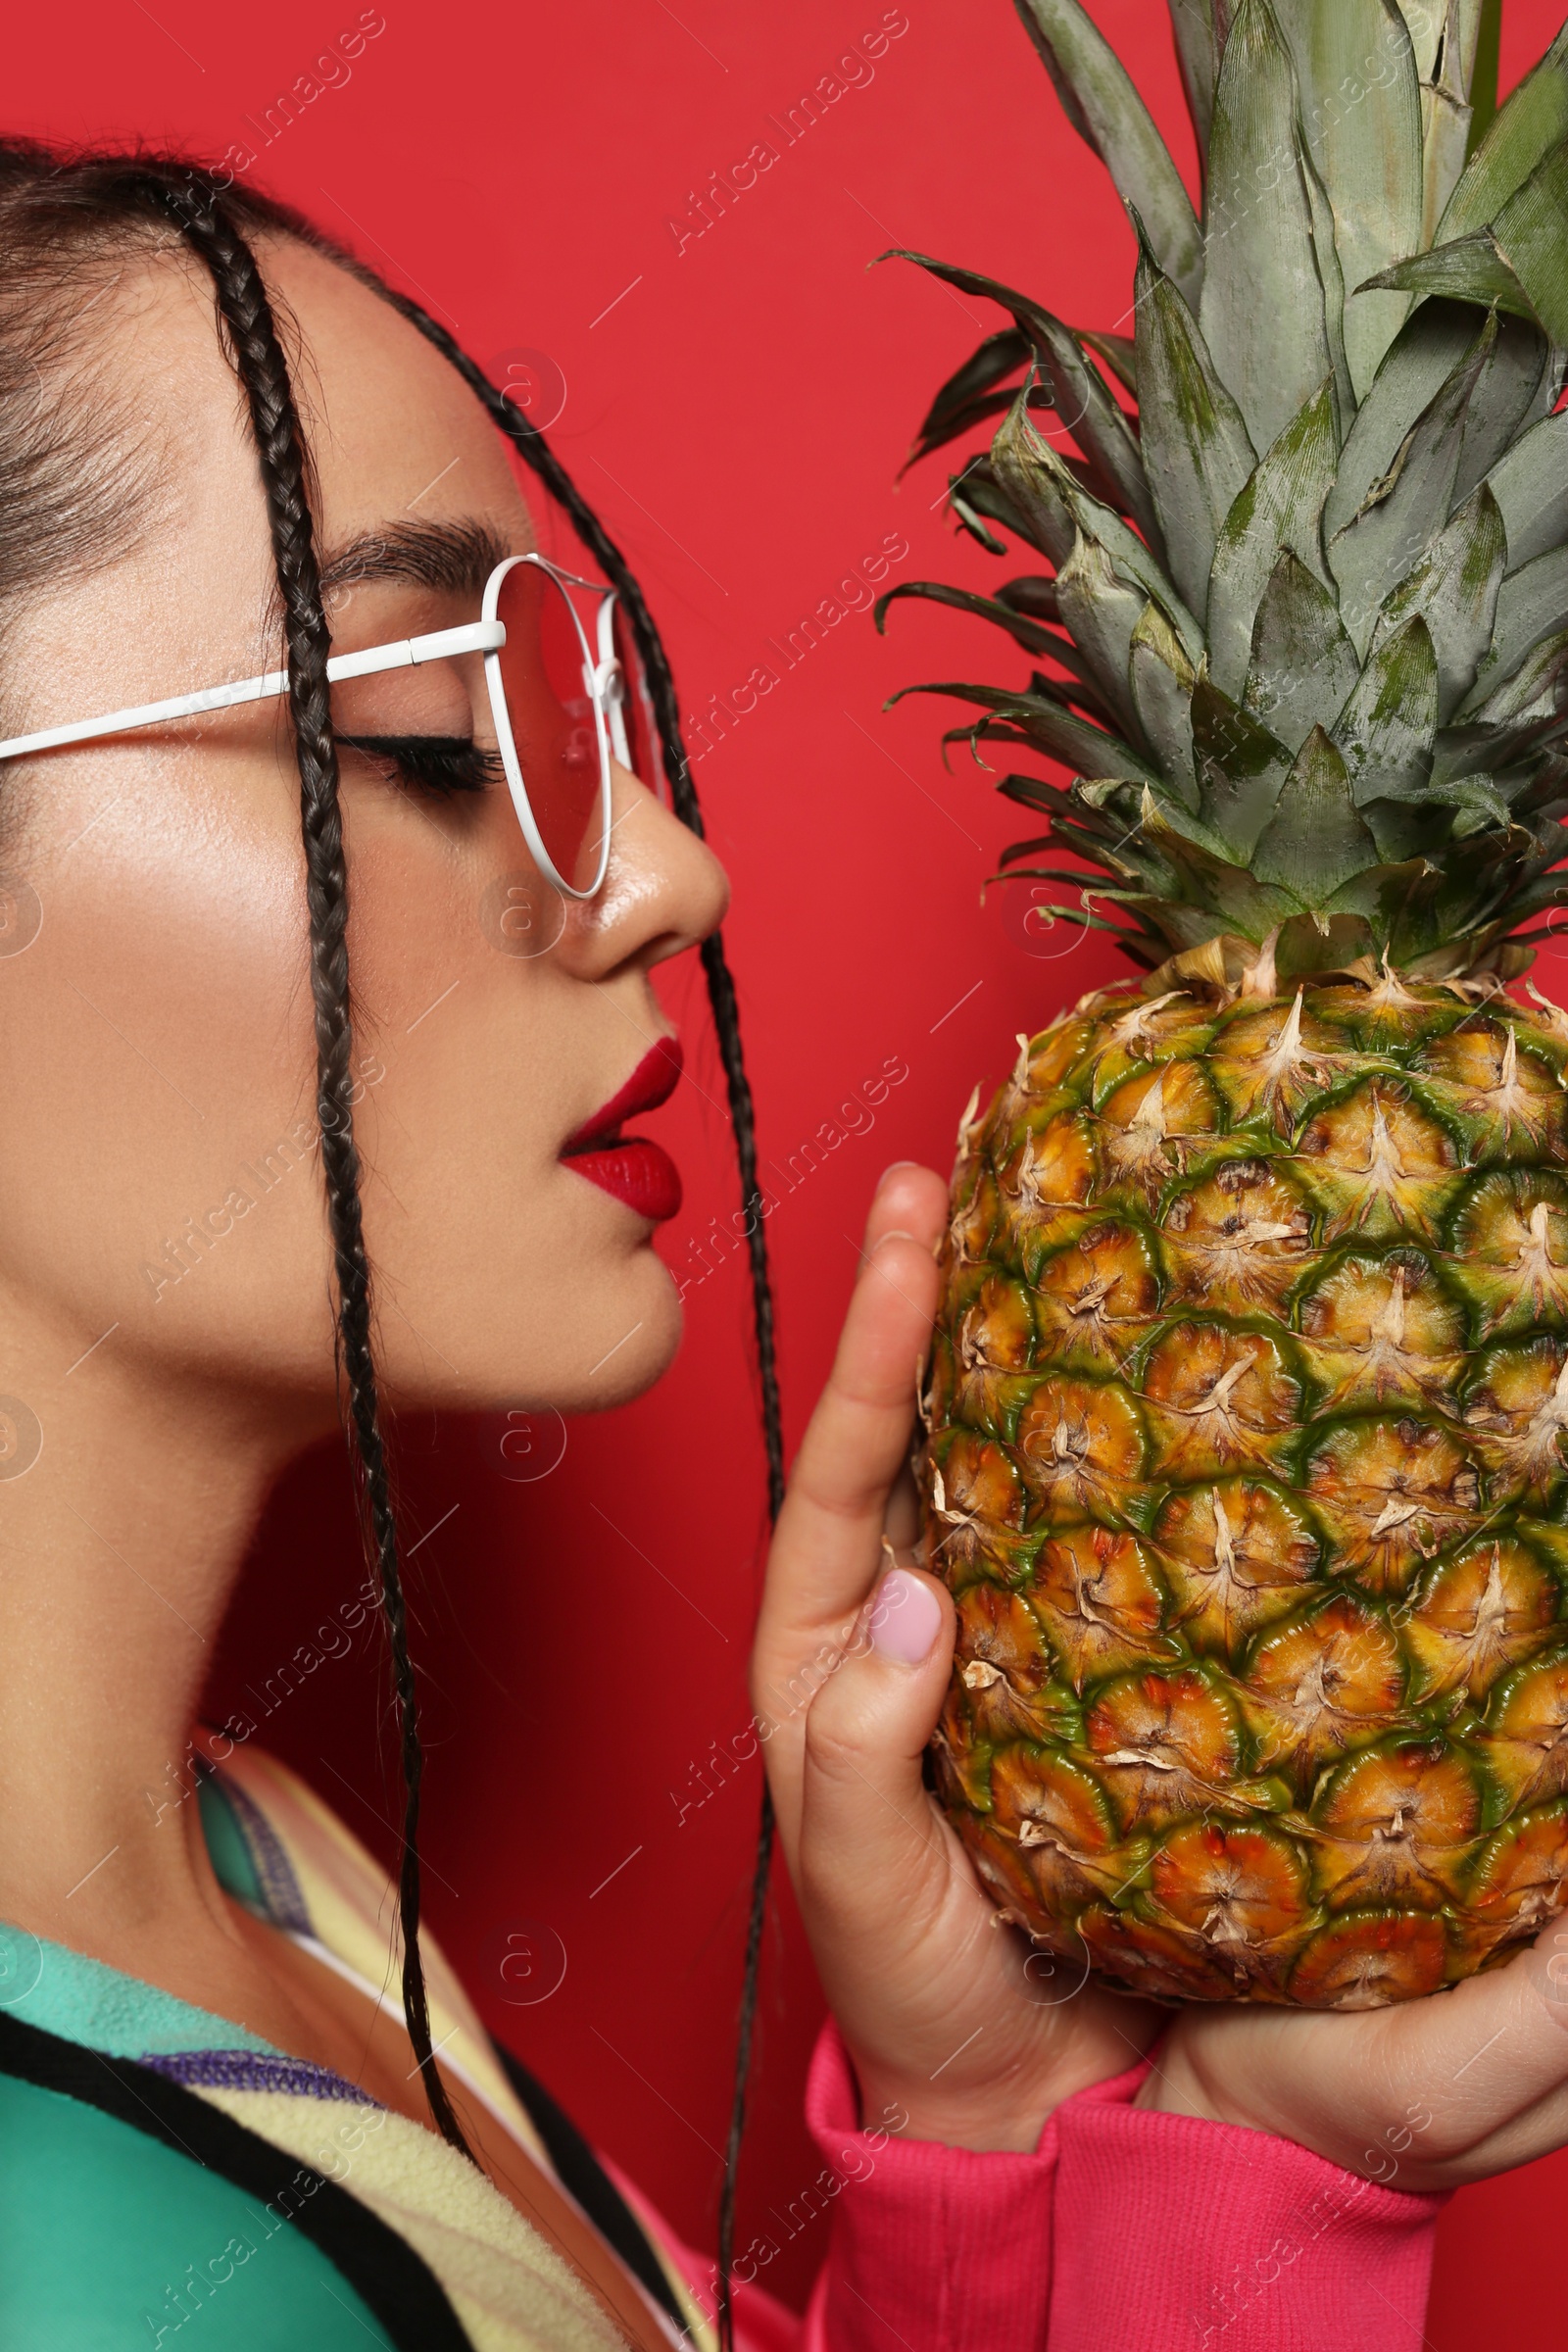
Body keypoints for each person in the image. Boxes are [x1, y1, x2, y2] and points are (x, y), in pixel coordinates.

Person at [0, 140, 1563, 2352]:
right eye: (439, 733)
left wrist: (1000, 2130)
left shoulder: (253, 1881)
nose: (658, 876)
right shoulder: (76, 2257)